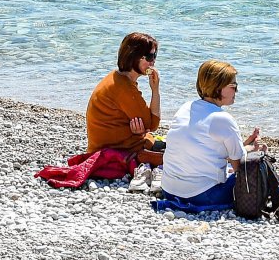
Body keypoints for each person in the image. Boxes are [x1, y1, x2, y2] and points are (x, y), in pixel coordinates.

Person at [160, 60, 266, 208]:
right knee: (260, 175)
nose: (237, 91)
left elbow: (206, 149)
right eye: (233, 86)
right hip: (202, 196)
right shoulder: (222, 118)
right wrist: (257, 154)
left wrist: (248, 147)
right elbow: (239, 169)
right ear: (218, 87)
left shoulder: (186, 108)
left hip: (169, 190)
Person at [86, 32, 162, 155]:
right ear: (134, 57)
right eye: (149, 57)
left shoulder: (115, 77)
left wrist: (143, 131)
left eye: (155, 56)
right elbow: (153, 124)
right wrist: (155, 90)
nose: (153, 62)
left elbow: (147, 124)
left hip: (102, 146)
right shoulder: (124, 88)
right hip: (110, 151)